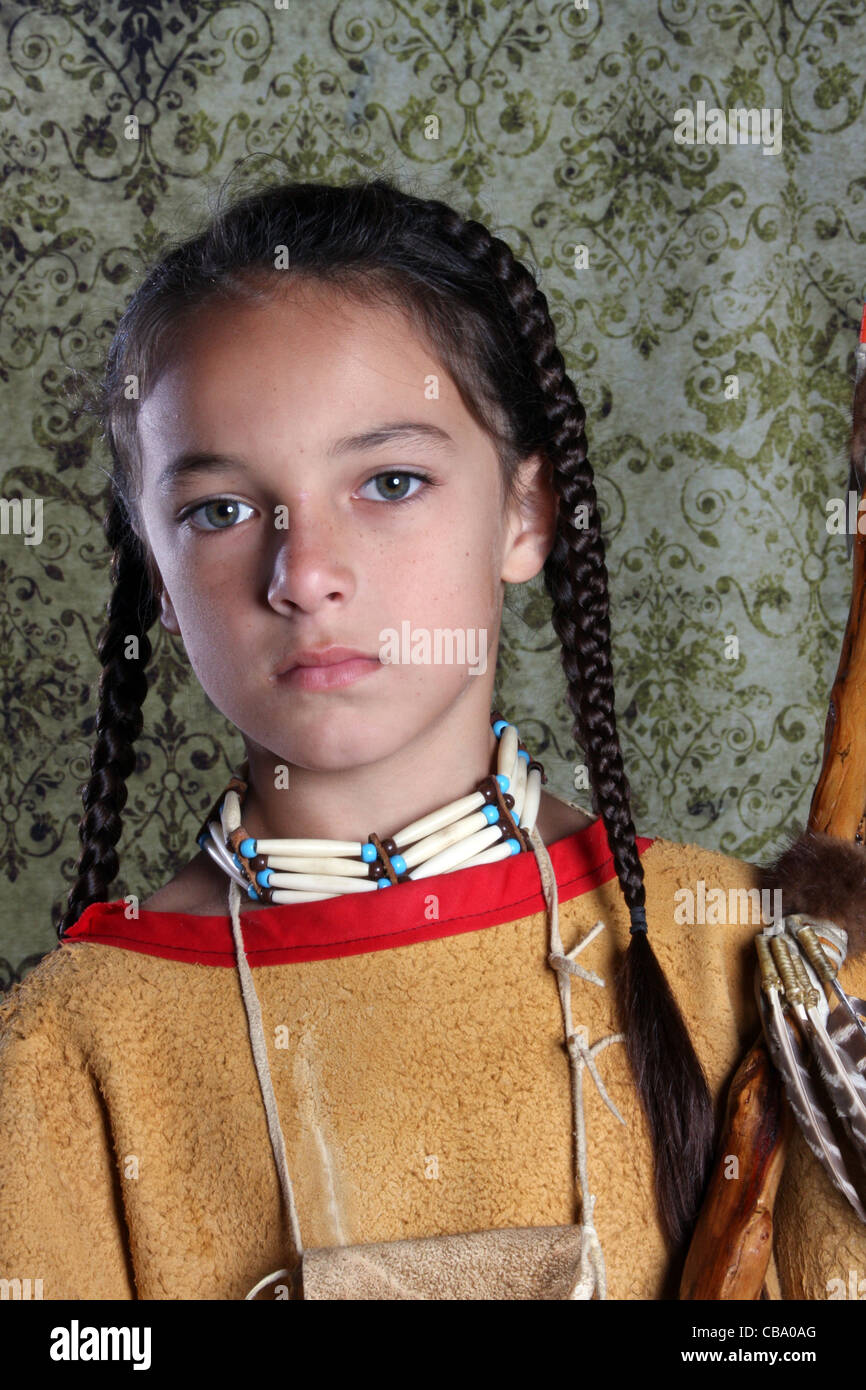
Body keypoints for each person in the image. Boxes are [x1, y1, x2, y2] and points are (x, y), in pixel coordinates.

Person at [0, 170, 863, 1300]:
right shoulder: (68, 1051)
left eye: (389, 480)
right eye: (217, 510)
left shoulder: (765, 969)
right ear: (156, 575)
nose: (304, 573)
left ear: (524, 511)